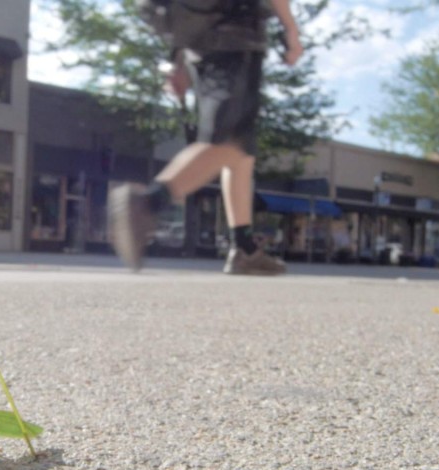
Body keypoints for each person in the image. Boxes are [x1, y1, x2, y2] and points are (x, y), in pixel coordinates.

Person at [108, 0, 303, 274]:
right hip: (236, 35)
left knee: (241, 151)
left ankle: (243, 247)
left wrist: (177, 58)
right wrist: (291, 31)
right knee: (229, 143)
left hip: (198, 40)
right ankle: (148, 202)